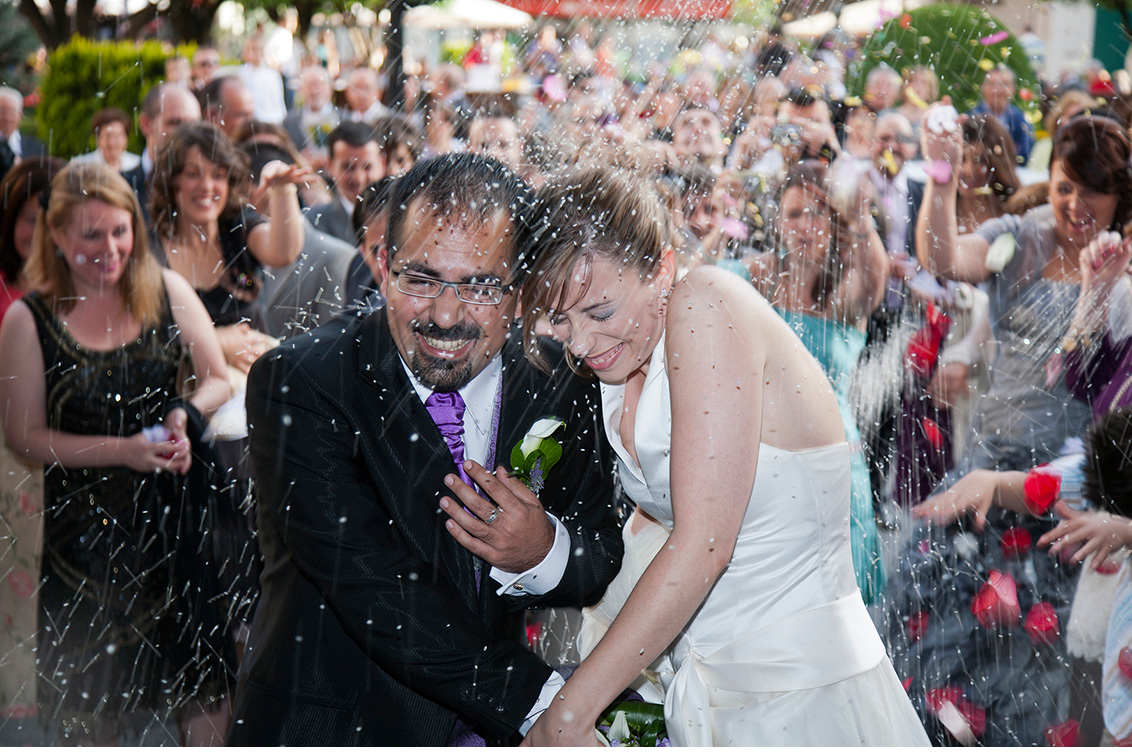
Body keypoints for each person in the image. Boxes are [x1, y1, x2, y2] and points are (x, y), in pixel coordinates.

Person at [517, 164, 925, 746]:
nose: (580, 344)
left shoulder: (706, 301)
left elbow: (705, 543)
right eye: (562, 320)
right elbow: (654, 523)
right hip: (707, 689)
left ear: (660, 267)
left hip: (798, 694)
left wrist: (570, 711)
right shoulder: (626, 351)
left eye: (599, 312)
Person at [227, 153, 624, 746]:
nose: (444, 314)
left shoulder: (562, 385)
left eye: (482, 286)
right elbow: (371, 583)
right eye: (420, 277)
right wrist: (542, 706)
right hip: (327, 728)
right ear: (383, 265)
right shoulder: (302, 382)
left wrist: (543, 551)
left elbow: (598, 550)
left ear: (523, 288)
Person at [0, 162, 234, 744]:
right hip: (82, 544)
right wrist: (118, 451)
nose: (111, 248)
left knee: (201, 683)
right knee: (89, 705)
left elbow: (217, 378)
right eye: (91, 235)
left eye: (121, 231)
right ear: (56, 236)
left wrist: (188, 415)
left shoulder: (166, 289)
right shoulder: (29, 320)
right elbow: (23, 434)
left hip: (172, 522)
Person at [916, 111, 1131, 474]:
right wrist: (941, 177)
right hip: (992, 450)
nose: (1075, 205)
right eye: (1064, 188)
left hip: (1071, 471)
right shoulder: (1020, 239)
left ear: (1118, 194)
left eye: (1092, 191)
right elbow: (944, 258)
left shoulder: (1125, 275)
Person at [744, 160, 889, 603]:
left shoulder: (846, 289)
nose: (805, 225)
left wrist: (859, 213)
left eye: (818, 213)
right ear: (776, 222)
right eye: (793, 214)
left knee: (834, 598)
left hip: (832, 453)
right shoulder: (751, 278)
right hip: (761, 454)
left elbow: (875, 279)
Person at [149, 121, 305, 374]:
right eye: (193, 174)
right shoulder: (151, 252)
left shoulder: (237, 227)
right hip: (189, 393)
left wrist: (282, 188)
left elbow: (284, 252)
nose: (207, 186)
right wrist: (214, 342)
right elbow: (147, 339)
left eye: (218, 175)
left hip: (258, 382)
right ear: (171, 181)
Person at [308, 121, 384, 243]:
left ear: (382, 163)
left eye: (367, 167)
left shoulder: (399, 217)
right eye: (348, 167)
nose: (358, 178)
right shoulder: (314, 223)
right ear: (330, 166)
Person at [971, 66, 1035, 164]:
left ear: (1013, 89)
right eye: (992, 84)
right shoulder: (972, 117)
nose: (998, 89)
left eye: (1004, 84)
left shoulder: (1019, 118)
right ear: (983, 87)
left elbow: (1026, 150)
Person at [71, 107, 140, 172]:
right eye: (107, 136)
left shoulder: (137, 165)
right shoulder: (80, 166)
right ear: (98, 139)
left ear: (126, 139)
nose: (112, 142)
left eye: (117, 136)